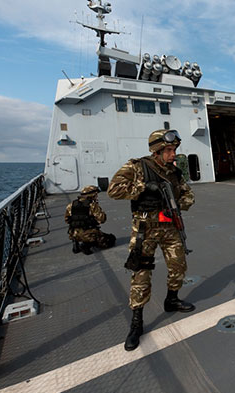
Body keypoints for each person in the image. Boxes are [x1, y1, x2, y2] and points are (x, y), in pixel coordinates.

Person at [107, 129, 196, 351]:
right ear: (157, 151)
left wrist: (178, 203)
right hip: (145, 229)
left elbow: (188, 194)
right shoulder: (138, 167)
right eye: (169, 150)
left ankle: (172, 299)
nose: (173, 154)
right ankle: (136, 322)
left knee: (178, 265)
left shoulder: (174, 172)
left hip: (170, 227)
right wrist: (143, 187)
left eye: (174, 149)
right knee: (141, 273)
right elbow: (113, 190)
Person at [64, 185, 116, 255]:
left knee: (81, 233)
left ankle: (76, 243)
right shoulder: (92, 205)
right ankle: (86, 245)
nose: (96, 197)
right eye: (96, 195)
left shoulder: (71, 205)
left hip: (73, 234)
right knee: (111, 240)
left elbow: (67, 220)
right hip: (89, 235)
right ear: (92, 195)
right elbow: (102, 219)